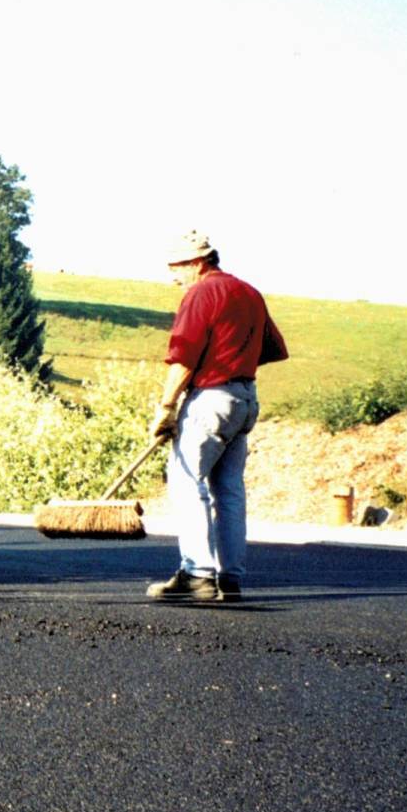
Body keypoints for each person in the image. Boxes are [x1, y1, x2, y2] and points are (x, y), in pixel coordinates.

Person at [145, 230, 289, 604]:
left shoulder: (201, 293)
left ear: (197, 263)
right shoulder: (249, 292)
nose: (172, 277)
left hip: (211, 397)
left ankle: (197, 573)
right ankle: (230, 577)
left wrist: (166, 407)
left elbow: (184, 354)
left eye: (176, 268)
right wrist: (233, 358)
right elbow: (273, 348)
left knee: (185, 480)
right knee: (228, 489)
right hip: (244, 398)